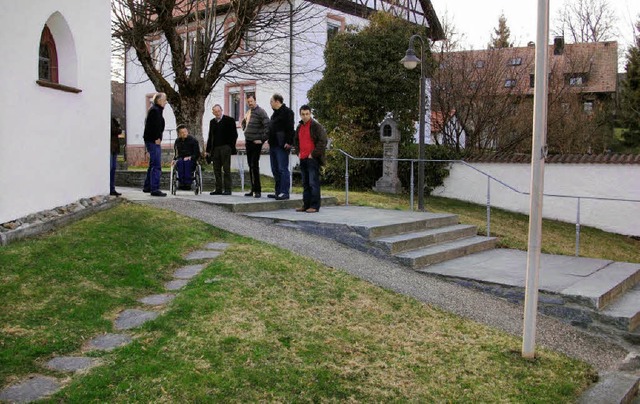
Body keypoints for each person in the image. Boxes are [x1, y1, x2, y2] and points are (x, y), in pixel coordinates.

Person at [293, 105, 328, 213]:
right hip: (303, 158)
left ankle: (314, 206)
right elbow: (296, 141)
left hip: (312, 159)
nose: (305, 116)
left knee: (313, 183)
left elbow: (323, 141)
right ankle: (306, 205)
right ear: (300, 114)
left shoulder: (316, 126)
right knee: (305, 183)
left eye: (307, 114)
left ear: (310, 114)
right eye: (303, 114)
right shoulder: (299, 127)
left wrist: (313, 154)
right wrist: (298, 153)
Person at [241, 94, 269, 198]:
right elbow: (244, 123)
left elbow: (268, 126)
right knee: (250, 165)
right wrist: (244, 127)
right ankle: (252, 189)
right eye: (248, 102)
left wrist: (262, 139)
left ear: (255, 101)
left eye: (251, 101)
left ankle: (258, 190)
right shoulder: (248, 112)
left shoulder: (261, 111)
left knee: (254, 165)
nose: (250, 103)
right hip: (248, 142)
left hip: (256, 143)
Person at [267, 93, 295, 200]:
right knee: (275, 169)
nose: (270, 104)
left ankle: (284, 192)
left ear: (277, 101)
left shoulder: (287, 112)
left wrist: (289, 142)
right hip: (273, 144)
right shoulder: (274, 115)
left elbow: (290, 128)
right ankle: (278, 191)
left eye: (271, 101)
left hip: (282, 144)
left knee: (282, 168)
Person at [206, 104, 238, 195]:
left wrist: (230, 146)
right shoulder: (212, 122)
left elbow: (234, 135)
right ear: (213, 113)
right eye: (215, 112)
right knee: (216, 169)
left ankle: (228, 189)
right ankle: (218, 189)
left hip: (225, 147)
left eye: (218, 111)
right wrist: (208, 151)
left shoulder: (229, 120)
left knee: (226, 169)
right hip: (215, 149)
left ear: (222, 110)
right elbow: (210, 136)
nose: (217, 113)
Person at [142, 92, 167, 197]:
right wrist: (157, 137)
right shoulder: (155, 111)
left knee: (152, 164)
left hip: (151, 139)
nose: (166, 102)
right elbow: (153, 126)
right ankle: (154, 188)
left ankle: (147, 186)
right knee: (156, 165)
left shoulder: (156, 110)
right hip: (153, 140)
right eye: (164, 100)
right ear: (159, 100)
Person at [172, 124, 200, 190]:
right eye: (182, 132)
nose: (184, 133)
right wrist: (174, 159)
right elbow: (176, 153)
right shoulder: (177, 141)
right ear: (179, 134)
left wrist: (190, 157)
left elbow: (197, 154)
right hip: (181, 159)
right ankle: (181, 183)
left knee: (186, 162)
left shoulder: (193, 140)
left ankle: (188, 184)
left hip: (191, 159)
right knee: (180, 162)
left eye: (185, 131)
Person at [110, 117, 122, 196]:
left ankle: (112, 188)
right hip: (111, 147)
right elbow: (114, 130)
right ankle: (111, 188)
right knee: (111, 168)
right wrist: (118, 129)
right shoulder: (110, 120)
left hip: (114, 147)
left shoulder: (112, 120)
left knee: (113, 168)